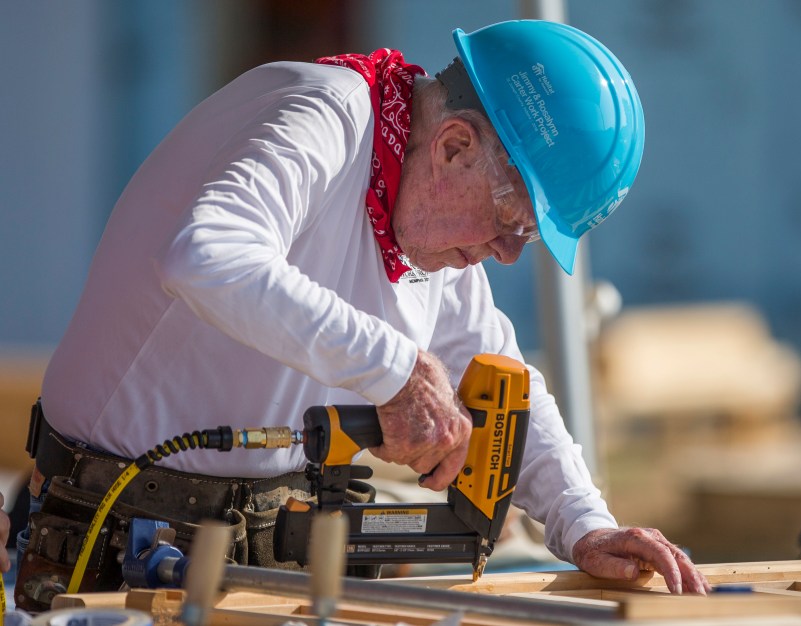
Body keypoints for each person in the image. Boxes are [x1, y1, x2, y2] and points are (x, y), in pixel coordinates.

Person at [16, 19, 709, 612]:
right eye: (510, 223)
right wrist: (396, 371)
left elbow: (498, 378)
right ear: (454, 147)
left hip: (260, 551)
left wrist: (584, 524)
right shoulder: (322, 116)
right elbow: (207, 255)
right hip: (107, 537)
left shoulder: (428, 229)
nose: (503, 256)